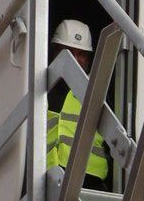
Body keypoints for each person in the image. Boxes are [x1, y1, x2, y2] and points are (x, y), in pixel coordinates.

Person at [46, 19, 110, 186]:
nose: (75, 59)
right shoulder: (41, 88)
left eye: (81, 54)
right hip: (49, 176)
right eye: (69, 52)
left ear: (88, 59)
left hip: (90, 179)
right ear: (55, 51)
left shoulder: (98, 93)